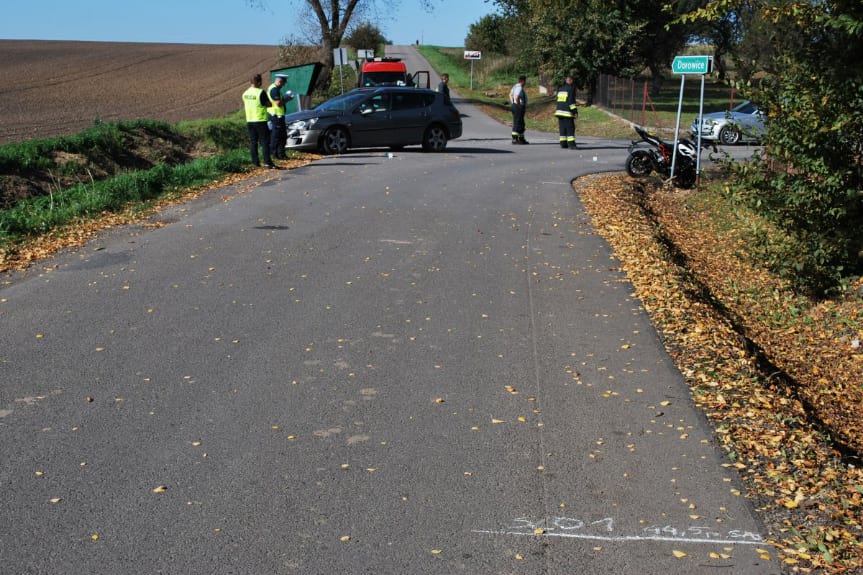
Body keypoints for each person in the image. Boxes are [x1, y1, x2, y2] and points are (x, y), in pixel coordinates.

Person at [242, 74, 274, 168]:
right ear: (259, 82)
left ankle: (255, 162)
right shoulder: (261, 92)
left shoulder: (245, 93)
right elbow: (269, 104)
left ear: (250, 82)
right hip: (260, 120)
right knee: (264, 142)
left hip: (250, 120)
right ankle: (268, 162)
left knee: (253, 142)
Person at [267, 74, 292, 160]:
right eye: (283, 83)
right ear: (280, 81)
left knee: (282, 135)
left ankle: (281, 154)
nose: (284, 85)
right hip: (276, 115)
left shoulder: (274, 88)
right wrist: (287, 99)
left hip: (278, 115)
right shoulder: (274, 90)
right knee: (277, 136)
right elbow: (278, 103)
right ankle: (274, 154)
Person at [554, 76, 578, 149]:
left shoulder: (560, 88)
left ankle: (563, 143)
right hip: (567, 112)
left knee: (562, 128)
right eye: (572, 80)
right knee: (570, 128)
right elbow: (571, 102)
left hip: (559, 112)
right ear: (570, 80)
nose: (573, 82)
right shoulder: (571, 89)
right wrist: (575, 111)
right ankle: (571, 144)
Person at [509, 75, 528, 144]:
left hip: (515, 106)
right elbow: (517, 97)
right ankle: (515, 139)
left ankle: (521, 138)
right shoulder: (519, 87)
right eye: (525, 81)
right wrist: (518, 105)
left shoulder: (515, 86)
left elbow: (510, 95)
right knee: (518, 122)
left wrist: (513, 103)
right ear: (522, 81)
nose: (526, 83)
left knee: (521, 123)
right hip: (518, 107)